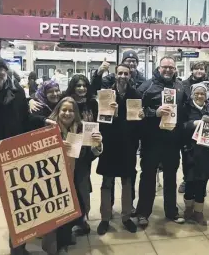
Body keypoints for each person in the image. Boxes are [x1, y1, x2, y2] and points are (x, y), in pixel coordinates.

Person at [0, 53, 55, 255]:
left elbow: (25, 119)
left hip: (14, 162)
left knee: (19, 213)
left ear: (5, 70)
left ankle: (18, 250)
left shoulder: (17, 92)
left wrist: (43, 121)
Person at [90, 50, 146, 214]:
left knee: (127, 181)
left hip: (128, 145)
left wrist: (141, 117)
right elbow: (92, 90)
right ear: (115, 75)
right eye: (120, 73)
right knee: (107, 181)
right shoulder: (107, 94)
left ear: (130, 76)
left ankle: (127, 216)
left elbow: (137, 125)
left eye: (126, 74)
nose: (122, 76)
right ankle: (105, 217)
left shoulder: (135, 95)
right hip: (109, 143)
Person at [46, 97, 102, 253]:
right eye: (64, 109)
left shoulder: (82, 129)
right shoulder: (47, 127)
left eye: (71, 110)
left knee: (76, 208)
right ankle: (57, 243)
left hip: (77, 176)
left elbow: (87, 157)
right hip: (54, 179)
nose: (67, 113)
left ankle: (65, 238)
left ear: (76, 113)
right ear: (58, 111)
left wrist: (97, 145)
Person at [135, 56, 187, 227]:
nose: (168, 70)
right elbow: (137, 111)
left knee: (171, 178)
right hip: (152, 141)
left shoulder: (180, 86)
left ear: (175, 69)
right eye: (165, 67)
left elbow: (186, 111)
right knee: (148, 177)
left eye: (171, 68)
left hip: (173, 142)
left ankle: (171, 211)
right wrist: (154, 112)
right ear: (159, 67)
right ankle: (143, 213)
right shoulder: (146, 86)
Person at [182, 83, 209, 225]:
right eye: (197, 93)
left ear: (206, 95)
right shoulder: (186, 108)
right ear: (192, 94)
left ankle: (199, 211)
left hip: (207, 151)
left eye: (202, 94)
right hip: (191, 151)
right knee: (189, 182)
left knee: (202, 182)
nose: (200, 96)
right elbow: (180, 126)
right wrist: (193, 123)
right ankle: (188, 208)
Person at [64, 75, 99, 236]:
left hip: (85, 152)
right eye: (78, 85)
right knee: (70, 187)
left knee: (83, 185)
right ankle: (69, 221)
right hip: (68, 151)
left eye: (84, 85)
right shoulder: (66, 102)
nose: (81, 88)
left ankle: (82, 220)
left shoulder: (92, 103)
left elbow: (99, 123)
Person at [179, 61, 209, 193]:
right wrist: (193, 123)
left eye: (202, 69)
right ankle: (187, 182)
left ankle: (199, 201)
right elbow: (182, 123)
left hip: (207, 140)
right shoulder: (183, 85)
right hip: (190, 141)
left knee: (203, 172)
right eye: (196, 68)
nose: (199, 71)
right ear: (192, 70)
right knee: (190, 168)